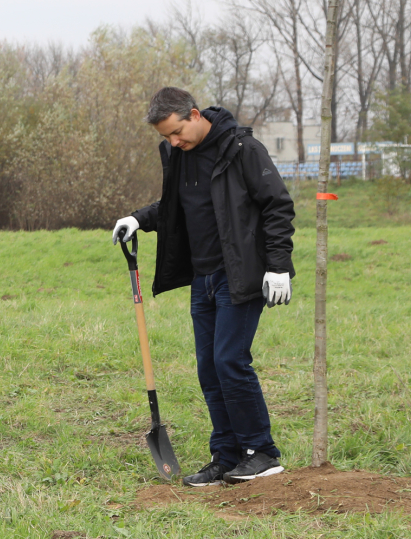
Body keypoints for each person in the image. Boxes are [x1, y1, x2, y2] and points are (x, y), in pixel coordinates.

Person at [112, 87, 295, 487]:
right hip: (203, 277)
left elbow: (277, 204)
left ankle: (261, 452)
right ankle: (226, 455)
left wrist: (278, 266)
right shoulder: (180, 157)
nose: (173, 142)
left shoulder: (242, 149)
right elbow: (176, 208)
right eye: (166, 138)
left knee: (230, 360)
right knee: (209, 369)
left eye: (176, 132)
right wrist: (138, 219)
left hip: (241, 273)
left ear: (195, 114)